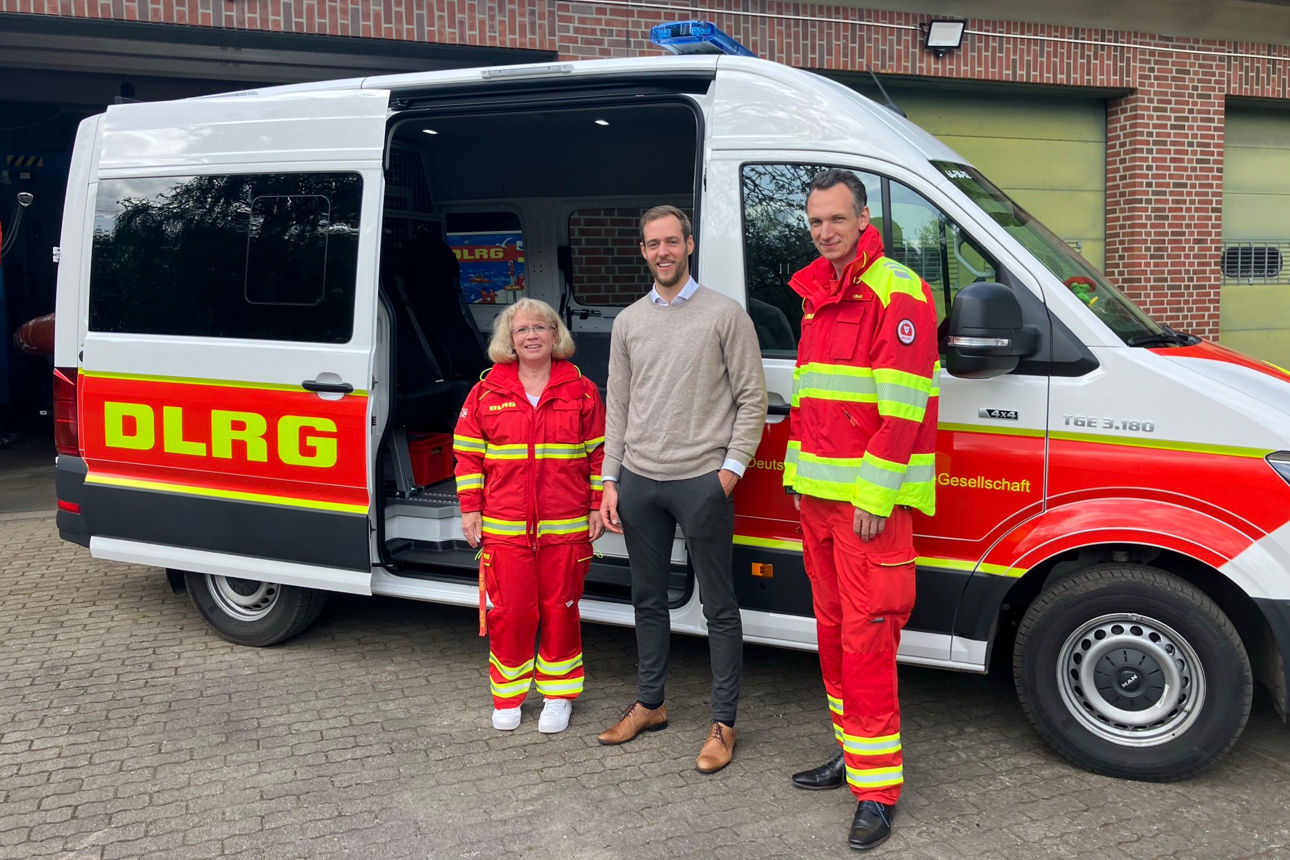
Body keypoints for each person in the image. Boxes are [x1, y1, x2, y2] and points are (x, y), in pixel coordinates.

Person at [783, 169, 939, 851]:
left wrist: (875, 495)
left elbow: (902, 407)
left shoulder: (896, 290)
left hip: (864, 508)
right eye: (816, 221)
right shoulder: (820, 293)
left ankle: (877, 793)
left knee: (868, 640)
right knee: (833, 633)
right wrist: (796, 479)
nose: (825, 233)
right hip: (817, 501)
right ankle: (852, 755)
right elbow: (815, 400)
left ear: (864, 217)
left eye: (836, 220)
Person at [596, 205, 767, 774]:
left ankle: (724, 723)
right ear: (643, 251)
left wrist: (730, 471)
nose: (663, 252)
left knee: (719, 606)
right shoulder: (628, 323)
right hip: (640, 480)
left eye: (672, 241)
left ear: (689, 245)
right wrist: (611, 479)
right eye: (652, 244)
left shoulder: (725, 314)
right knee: (647, 601)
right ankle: (651, 703)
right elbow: (617, 404)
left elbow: (752, 399)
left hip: (702, 481)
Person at [452, 297, 606, 734]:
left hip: (566, 527)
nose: (532, 336)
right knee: (511, 613)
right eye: (522, 330)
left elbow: (600, 453)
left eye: (541, 327)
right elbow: (467, 456)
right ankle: (509, 695)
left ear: (556, 335)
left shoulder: (581, 389)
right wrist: (470, 511)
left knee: (560, 610)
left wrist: (597, 505)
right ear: (509, 340)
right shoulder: (486, 392)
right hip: (505, 527)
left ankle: (557, 696)